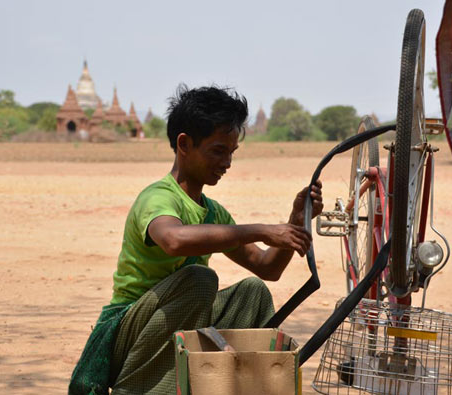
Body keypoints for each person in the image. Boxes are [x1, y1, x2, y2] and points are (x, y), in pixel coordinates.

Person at [69, 85, 323, 395]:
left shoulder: (212, 212)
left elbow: (267, 267)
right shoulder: (158, 197)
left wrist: (296, 219)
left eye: (231, 153)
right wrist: (261, 229)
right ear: (184, 144)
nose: (227, 163)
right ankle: (140, 388)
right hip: (129, 333)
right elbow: (174, 240)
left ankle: (220, 383)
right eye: (218, 151)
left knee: (252, 293)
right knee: (200, 279)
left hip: (174, 326)